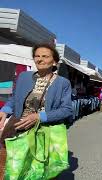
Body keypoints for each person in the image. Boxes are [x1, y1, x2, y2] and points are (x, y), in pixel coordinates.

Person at [0, 43, 73, 178]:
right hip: (16, 128)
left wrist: (39, 116)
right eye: (37, 56)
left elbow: (67, 109)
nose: (39, 59)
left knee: (36, 172)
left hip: (43, 133)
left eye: (45, 56)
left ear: (54, 61)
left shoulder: (63, 83)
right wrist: (4, 110)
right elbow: (14, 98)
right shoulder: (23, 76)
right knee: (10, 169)